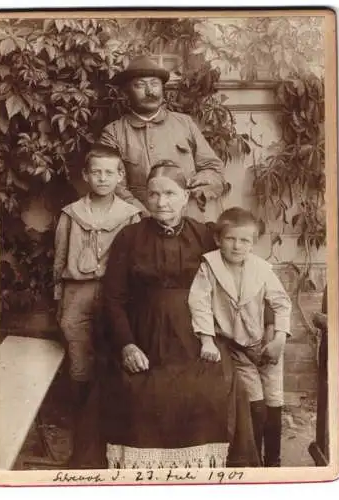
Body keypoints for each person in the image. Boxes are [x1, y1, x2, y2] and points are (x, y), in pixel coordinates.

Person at [71, 160, 260, 469]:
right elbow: (113, 299)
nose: (161, 202)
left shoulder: (206, 235)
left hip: (197, 335)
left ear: (185, 196)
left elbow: (243, 277)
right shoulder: (130, 237)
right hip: (143, 335)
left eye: (170, 194)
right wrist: (127, 345)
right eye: (154, 194)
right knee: (131, 390)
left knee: (212, 389)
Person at [188, 207, 292, 467]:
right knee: (255, 403)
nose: (237, 246)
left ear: (253, 243)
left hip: (266, 344)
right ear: (218, 240)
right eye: (230, 239)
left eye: (245, 240)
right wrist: (207, 340)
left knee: (274, 399)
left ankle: (274, 462)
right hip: (236, 347)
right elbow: (198, 303)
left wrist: (279, 338)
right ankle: (254, 460)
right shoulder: (209, 267)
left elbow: (281, 303)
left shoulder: (261, 269)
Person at [53, 146, 141, 414]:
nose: (102, 178)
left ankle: (112, 417)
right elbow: (60, 257)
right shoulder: (71, 214)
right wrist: (59, 297)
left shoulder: (130, 215)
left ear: (120, 176)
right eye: (96, 172)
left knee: (114, 347)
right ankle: (82, 418)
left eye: (109, 172)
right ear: (85, 176)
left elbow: (136, 262)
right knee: (78, 349)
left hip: (114, 293)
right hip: (76, 292)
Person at [98, 55, 228, 221]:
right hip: (141, 222)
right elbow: (113, 185)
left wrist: (200, 184)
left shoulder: (184, 123)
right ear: (126, 92)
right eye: (140, 85)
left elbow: (213, 168)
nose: (149, 91)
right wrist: (146, 215)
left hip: (189, 219)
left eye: (154, 84)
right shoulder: (113, 133)